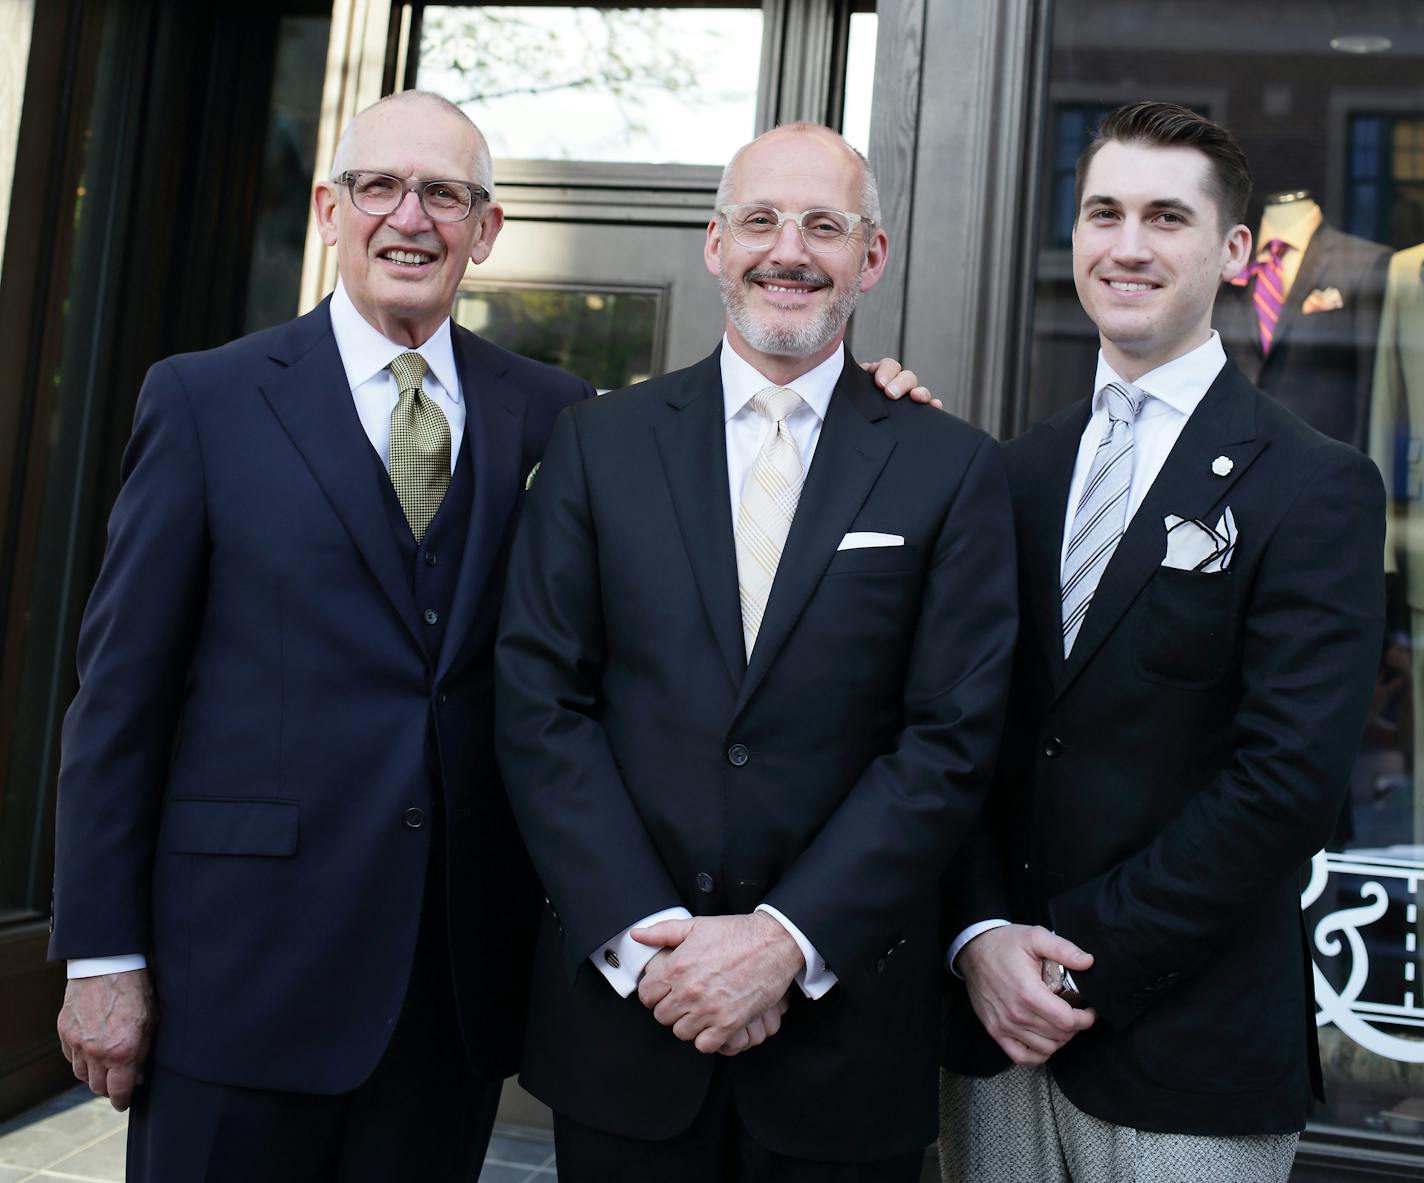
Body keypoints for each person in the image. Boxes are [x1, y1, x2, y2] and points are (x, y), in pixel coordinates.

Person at [48, 91, 927, 1180]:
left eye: (446, 196)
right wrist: (101, 954)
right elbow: (118, 698)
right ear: (329, 209)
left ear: (486, 229)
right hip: (237, 977)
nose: (409, 218)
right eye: (380, 187)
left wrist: (865, 413)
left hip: (450, 990)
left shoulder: (554, 414)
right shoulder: (203, 401)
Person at [495, 121, 1017, 1182]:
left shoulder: (950, 467)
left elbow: (949, 739)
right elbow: (538, 699)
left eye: (823, 226)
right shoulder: (598, 444)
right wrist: (646, 940)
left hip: (843, 1037)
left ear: (867, 258)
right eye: (761, 220)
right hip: (627, 1020)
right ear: (714, 244)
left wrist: (785, 939)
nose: (790, 249)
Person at [931, 101, 1385, 1182]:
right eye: (1102, 213)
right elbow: (954, 734)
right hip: (993, 1034)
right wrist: (982, 938)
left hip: (1189, 1051)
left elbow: (1285, 782)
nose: (1126, 245)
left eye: (1164, 218)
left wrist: (1078, 966)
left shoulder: (1314, 484)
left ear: (1231, 252)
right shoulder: (1009, 472)